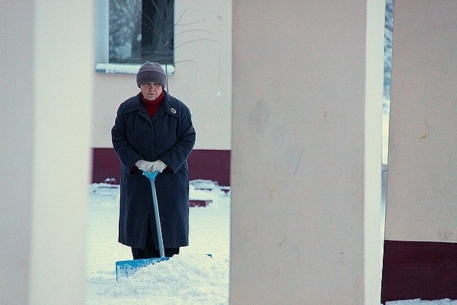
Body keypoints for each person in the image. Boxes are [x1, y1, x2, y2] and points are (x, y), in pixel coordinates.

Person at [111, 61, 196, 259]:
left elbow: (188, 138)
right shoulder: (127, 109)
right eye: (147, 83)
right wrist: (136, 161)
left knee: (169, 227)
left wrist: (165, 162)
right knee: (140, 227)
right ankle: (140, 267)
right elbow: (118, 136)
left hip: (169, 179)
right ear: (139, 85)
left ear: (162, 85)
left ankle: (167, 265)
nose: (152, 88)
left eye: (156, 84)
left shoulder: (178, 109)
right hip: (137, 178)